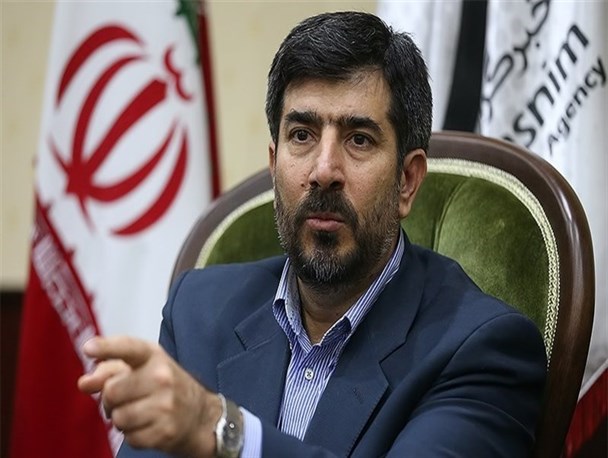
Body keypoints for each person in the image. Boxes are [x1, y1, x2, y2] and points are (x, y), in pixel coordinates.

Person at [78, 11, 547, 458]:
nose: (323, 171)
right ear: (273, 164)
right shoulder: (198, 312)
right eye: (302, 135)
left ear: (407, 181)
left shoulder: (480, 348)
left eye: (359, 139)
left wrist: (219, 428)